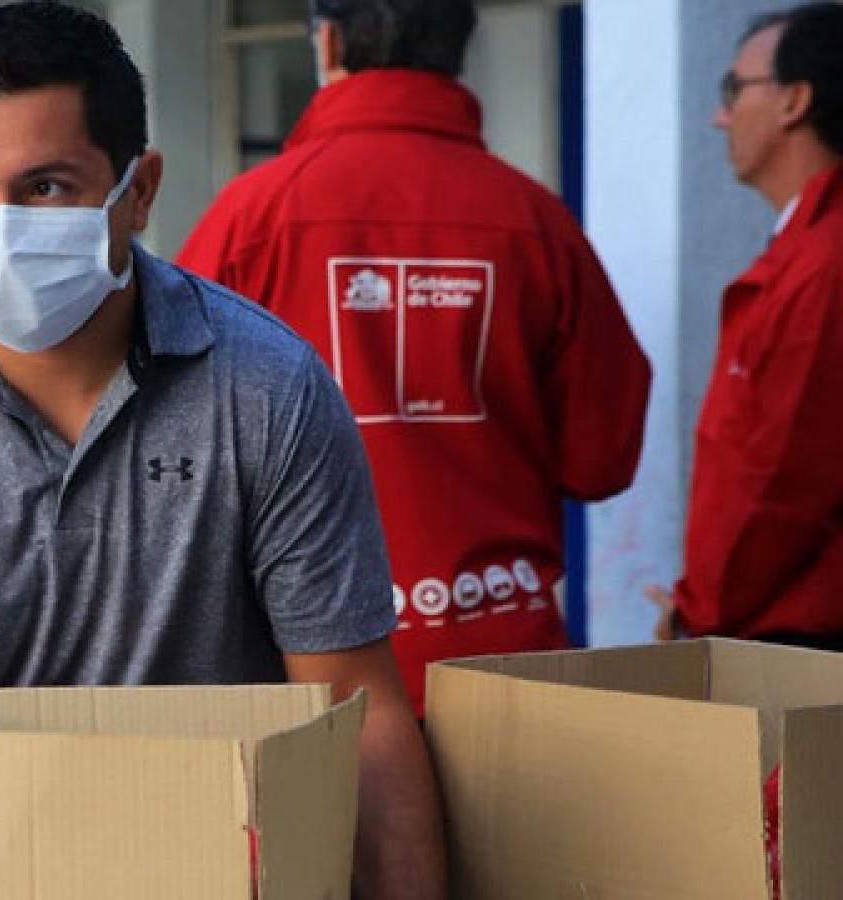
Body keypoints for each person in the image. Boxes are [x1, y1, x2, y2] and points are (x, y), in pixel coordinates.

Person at [0, 5, 447, 898]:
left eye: (46, 187)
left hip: (217, 864)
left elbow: (358, 715)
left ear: (138, 192)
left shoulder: (267, 393)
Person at [178, 0, 650, 713]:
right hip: (505, 658)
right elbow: (601, 459)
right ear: (459, 50)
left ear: (327, 43)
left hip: (309, 675)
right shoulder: (536, 219)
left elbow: (177, 448)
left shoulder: (251, 216)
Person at [647, 4, 843, 649]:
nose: (720, 117)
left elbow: (787, 482)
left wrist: (698, 614)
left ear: (794, 101)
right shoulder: (808, 249)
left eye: (735, 89)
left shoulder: (824, 262)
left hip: (802, 637)